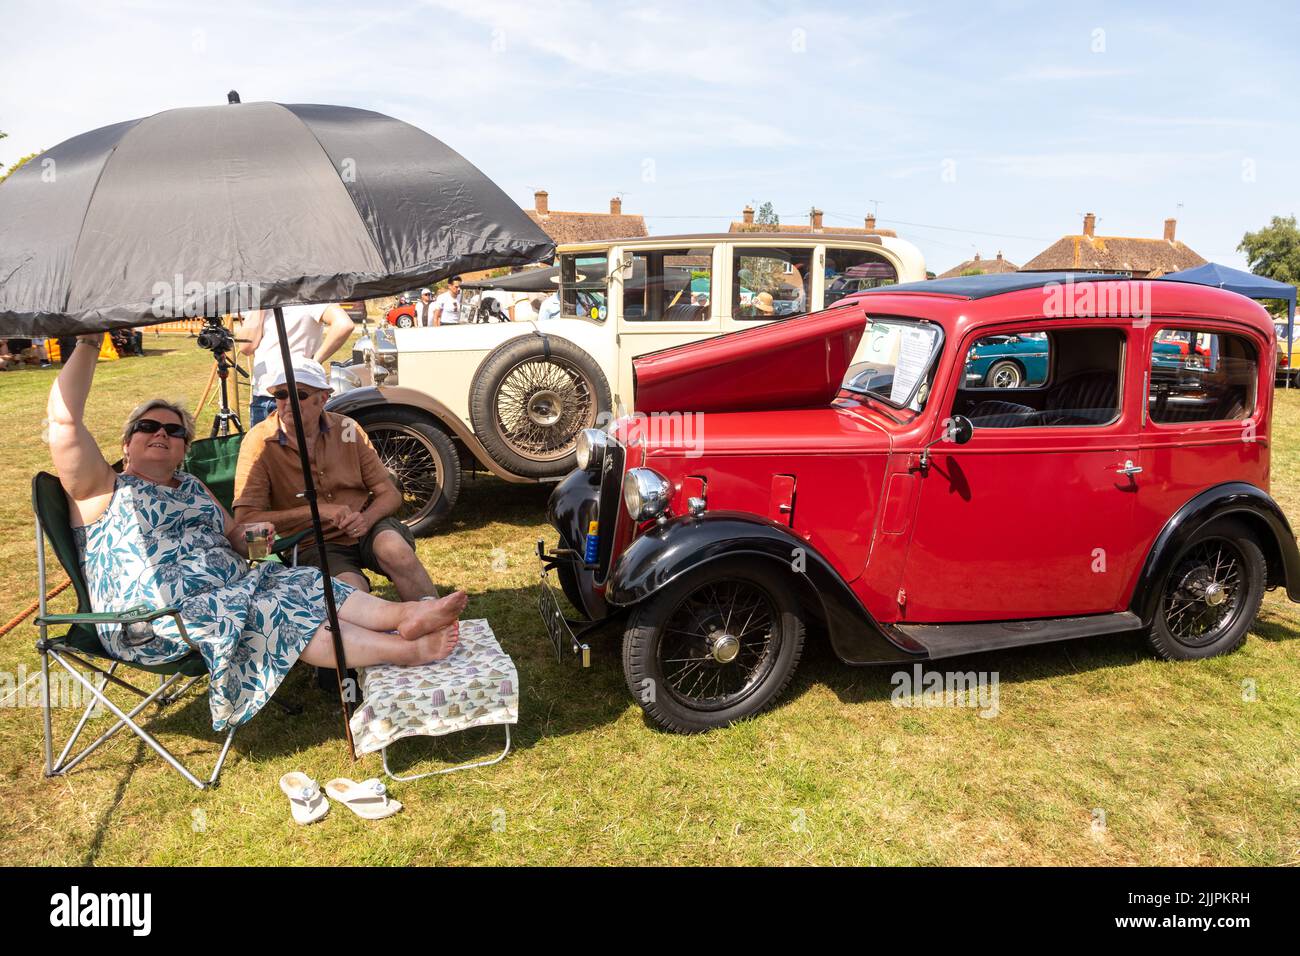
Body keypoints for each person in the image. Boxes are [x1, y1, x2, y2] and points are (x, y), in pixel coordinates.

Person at [46, 334, 467, 731]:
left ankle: (408, 615)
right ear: (126, 444)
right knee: (276, 611)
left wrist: (261, 539)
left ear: (183, 448)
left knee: (304, 583)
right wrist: (87, 342)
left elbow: (240, 540)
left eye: (174, 431)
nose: (161, 434)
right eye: (148, 427)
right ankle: (407, 651)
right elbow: (64, 422)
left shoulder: (192, 487)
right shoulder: (100, 489)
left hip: (231, 591)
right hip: (156, 620)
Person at [232, 358, 440, 602]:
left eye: (299, 394)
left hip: (365, 526)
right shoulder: (259, 442)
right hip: (311, 540)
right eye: (280, 394)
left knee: (396, 551)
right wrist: (316, 512)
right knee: (353, 591)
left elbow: (389, 493)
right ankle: (397, 633)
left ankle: (439, 624)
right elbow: (245, 520)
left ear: (323, 398)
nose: (287, 403)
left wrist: (366, 519)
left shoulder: (347, 429)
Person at [237, 304, 355, 427]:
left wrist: (316, 360)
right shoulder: (265, 299)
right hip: (262, 395)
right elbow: (246, 347)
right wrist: (261, 304)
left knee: (299, 445)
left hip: (298, 396)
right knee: (261, 445)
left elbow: (344, 324)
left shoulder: (307, 294)